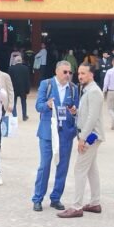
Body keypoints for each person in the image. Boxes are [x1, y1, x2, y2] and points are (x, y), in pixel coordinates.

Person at [58, 64, 105, 218]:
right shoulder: (88, 90)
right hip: (90, 134)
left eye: (83, 73)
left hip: (91, 136)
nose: (80, 76)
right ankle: (95, 202)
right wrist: (76, 112)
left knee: (79, 169)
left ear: (91, 74)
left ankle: (76, 206)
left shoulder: (94, 92)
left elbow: (92, 117)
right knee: (91, 169)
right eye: (79, 73)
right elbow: (87, 114)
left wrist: (83, 138)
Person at [31, 61, 79, 211]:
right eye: (65, 72)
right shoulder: (46, 84)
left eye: (70, 72)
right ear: (57, 71)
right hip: (48, 132)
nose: (68, 75)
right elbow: (38, 106)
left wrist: (74, 112)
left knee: (63, 167)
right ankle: (38, 198)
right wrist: (47, 105)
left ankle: (56, 198)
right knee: (44, 165)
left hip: (65, 133)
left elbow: (77, 109)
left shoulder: (73, 88)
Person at [9, 55, 31, 121]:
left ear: (15, 61)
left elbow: (9, 80)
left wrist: (9, 89)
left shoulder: (11, 68)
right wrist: (27, 90)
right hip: (23, 89)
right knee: (23, 102)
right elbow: (27, 80)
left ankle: (14, 116)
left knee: (14, 103)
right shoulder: (25, 68)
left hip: (14, 88)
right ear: (21, 61)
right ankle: (24, 116)